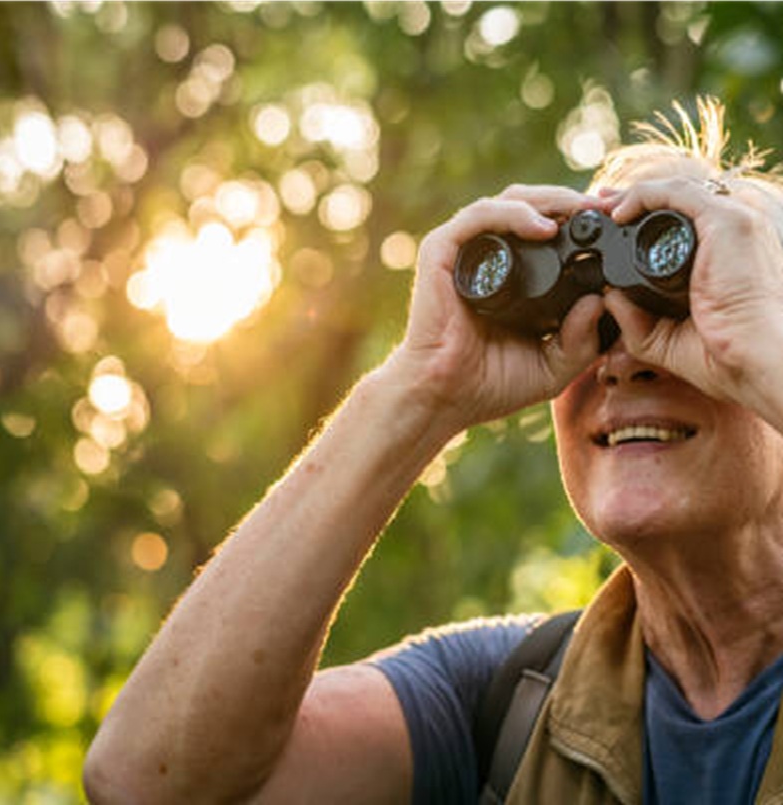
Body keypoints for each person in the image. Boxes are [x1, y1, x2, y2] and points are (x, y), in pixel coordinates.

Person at [83, 96, 783, 804]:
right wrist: (421, 389)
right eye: (596, 325)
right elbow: (146, 781)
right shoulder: (504, 700)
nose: (625, 361)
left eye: (689, 315)